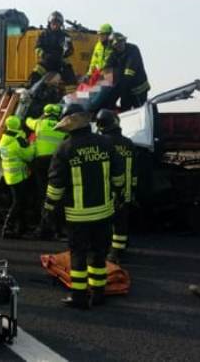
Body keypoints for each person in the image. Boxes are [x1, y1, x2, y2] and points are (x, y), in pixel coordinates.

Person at [44, 103, 124, 309]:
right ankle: (98, 293)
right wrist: (117, 193)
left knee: (78, 254)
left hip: (78, 215)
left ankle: (78, 296)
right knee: (98, 253)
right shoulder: (106, 143)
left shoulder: (65, 148)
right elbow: (118, 176)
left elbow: (56, 184)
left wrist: (49, 208)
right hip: (104, 212)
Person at [96, 109, 137, 263]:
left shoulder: (101, 143)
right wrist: (132, 190)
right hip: (125, 191)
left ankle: (108, 250)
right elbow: (134, 170)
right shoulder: (128, 143)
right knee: (121, 222)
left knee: (105, 222)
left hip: (106, 192)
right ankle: (118, 251)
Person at [25, 103, 67, 238]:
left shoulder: (39, 124)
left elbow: (27, 121)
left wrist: (40, 117)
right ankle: (57, 227)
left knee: (42, 193)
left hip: (40, 162)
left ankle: (43, 223)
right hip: (55, 163)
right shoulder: (62, 126)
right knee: (56, 193)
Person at [91, 32, 150, 112]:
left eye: (121, 42)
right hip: (125, 88)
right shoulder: (113, 54)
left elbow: (129, 72)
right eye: (117, 44)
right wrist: (100, 81)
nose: (120, 45)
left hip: (138, 89)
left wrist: (116, 89)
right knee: (124, 110)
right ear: (112, 46)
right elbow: (107, 68)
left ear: (124, 41)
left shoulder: (133, 49)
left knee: (141, 110)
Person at [0, 115, 36, 238]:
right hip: (19, 176)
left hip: (9, 175)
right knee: (19, 202)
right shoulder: (18, 140)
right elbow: (29, 156)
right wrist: (33, 145)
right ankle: (8, 227)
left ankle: (21, 228)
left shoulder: (4, 138)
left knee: (18, 201)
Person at [28, 11, 75, 88]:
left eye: (57, 23)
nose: (55, 25)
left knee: (71, 77)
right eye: (53, 23)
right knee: (35, 75)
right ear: (49, 23)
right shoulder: (44, 35)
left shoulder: (65, 36)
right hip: (47, 62)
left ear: (61, 24)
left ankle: (71, 96)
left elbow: (71, 49)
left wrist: (67, 52)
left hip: (60, 62)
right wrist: (44, 55)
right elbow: (37, 48)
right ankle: (32, 94)